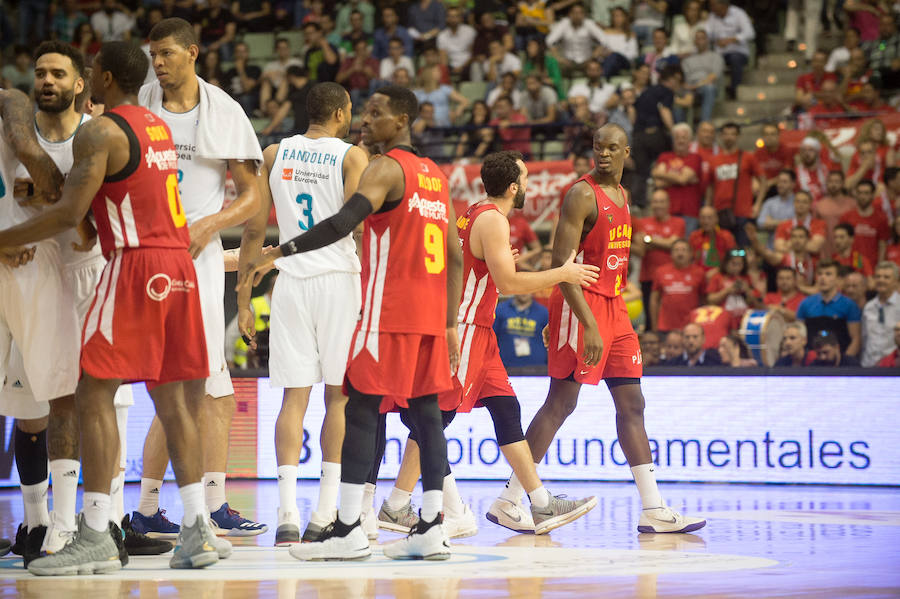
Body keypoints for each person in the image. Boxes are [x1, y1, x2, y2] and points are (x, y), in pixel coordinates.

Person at [1, 40, 226, 575]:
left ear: (99, 79)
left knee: (90, 390)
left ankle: (97, 530)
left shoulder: (100, 131)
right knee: (174, 400)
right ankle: (197, 531)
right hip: (180, 269)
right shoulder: (157, 127)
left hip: (135, 265)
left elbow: (70, 216)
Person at [241, 85, 463, 561]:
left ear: (402, 119)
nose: (366, 119)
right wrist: (450, 324)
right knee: (425, 414)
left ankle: (344, 529)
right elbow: (455, 255)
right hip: (426, 316)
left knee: (357, 407)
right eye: (363, 111)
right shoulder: (435, 176)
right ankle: (430, 526)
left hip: (382, 308)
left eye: (377, 112)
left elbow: (344, 223)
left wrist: (279, 252)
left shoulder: (382, 167)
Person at [492, 124, 706, 534]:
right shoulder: (581, 194)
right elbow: (562, 267)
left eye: (611, 148)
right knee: (561, 403)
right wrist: (583, 324)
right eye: (597, 148)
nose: (603, 154)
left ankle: (653, 508)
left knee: (632, 403)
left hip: (615, 305)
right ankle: (510, 500)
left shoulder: (625, 195)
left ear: (627, 152)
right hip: (582, 304)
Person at [387, 151, 600, 538]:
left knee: (506, 409)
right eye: (526, 178)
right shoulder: (493, 221)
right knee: (436, 419)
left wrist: (500, 264)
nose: (529, 185)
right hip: (467, 329)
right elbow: (510, 285)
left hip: (481, 332)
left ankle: (537, 502)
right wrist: (563, 273)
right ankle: (399, 503)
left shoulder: (474, 212)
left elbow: (478, 267)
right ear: (514, 186)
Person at [133, 17, 267, 539]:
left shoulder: (224, 109)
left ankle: (163, 507)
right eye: (153, 55)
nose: (158, 63)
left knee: (210, 388)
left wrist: (211, 225)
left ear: (192, 52)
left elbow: (254, 196)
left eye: (166, 53)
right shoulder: (140, 103)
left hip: (199, 258)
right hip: (144, 255)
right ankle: (178, 506)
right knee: (178, 389)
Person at [237, 83, 367, 545]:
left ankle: (287, 515)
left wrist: (242, 299)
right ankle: (325, 513)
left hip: (288, 284)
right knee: (339, 396)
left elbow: (254, 227)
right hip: (336, 282)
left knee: (294, 399)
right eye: (351, 109)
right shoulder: (352, 157)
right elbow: (354, 228)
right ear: (338, 112)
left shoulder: (274, 153)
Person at [631, 65, 684, 208]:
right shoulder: (667, 92)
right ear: (672, 79)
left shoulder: (646, 91)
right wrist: (674, 130)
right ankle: (661, 196)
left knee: (640, 172)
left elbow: (633, 112)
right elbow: (664, 110)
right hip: (655, 134)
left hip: (638, 136)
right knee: (666, 162)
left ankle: (638, 204)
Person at [633, 189, 686, 331]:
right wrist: (664, 243)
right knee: (651, 321)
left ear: (668, 204)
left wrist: (649, 240)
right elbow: (641, 247)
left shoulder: (678, 222)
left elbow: (673, 244)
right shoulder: (642, 222)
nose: (658, 205)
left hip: (673, 279)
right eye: (655, 201)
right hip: (648, 277)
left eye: (662, 201)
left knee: (670, 318)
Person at [706, 122, 762, 246]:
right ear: (721, 136)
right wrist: (709, 208)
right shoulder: (714, 160)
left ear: (738, 136)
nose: (729, 137)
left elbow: (763, 181)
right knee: (723, 250)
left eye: (732, 134)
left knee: (741, 250)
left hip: (743, 213)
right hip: (720, 213)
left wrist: (757, 204)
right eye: (726, 134)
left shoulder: (748, 157)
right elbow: (710, 187)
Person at [796, 261, 862, 357]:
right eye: (820, 274)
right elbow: (799, 336)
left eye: (828, 274)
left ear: (838, 279)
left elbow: (856, 340)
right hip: (811, 363)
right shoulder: (805, 304)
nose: (823, 278)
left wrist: (844, 363)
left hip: (840, 363)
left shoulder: (849, 305)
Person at [651, 123, 702, 233]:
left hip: (689, 211)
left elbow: (682, 179)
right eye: (677, 137)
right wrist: (680, 178)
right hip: (667, 212)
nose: (680, 141)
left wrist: (661, 174)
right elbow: (659, 183)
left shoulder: (695, 158)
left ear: (690, 141)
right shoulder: (664, 156)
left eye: (684, 137)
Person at [705, 0, 754, 99]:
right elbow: (706, 34)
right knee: (709, 60)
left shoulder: (738, 13)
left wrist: (732, 39)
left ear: (723, 4)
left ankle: (734, 90)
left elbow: (750, 32)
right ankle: (713, 92)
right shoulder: (712, 16)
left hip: (738, 51)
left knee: (735, 59)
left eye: (713, 5)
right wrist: (715, 41)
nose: (711, 7)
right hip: (719, 53)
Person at [841, 179, 891, 268]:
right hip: (852, 264)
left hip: (872, 264)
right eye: (860, 193)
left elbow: (882, 245)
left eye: (866, 193)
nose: (862, 196)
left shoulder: (881, 218)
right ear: (855, 194)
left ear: (872, 195)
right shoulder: (847, 217)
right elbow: (841, 243)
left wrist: (880, 267)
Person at [544, 4, 605, 75]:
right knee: (554, 66)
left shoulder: (589, 23)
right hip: (568, 61)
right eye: (575, 13)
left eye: (580, 13)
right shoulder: (564, 23)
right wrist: (559, 59)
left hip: (587, 60)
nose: (577, 16)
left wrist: (593, 57)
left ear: (583, 14)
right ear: (569, 14)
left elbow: (603, 40)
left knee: (595, 67)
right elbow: (550, 41)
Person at [680, 30, 724, 123]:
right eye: (697, 38)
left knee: (709, 88)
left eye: (702, 38)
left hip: (705, 85)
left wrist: (696, 86)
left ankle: (704, 124)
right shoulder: (687, 59)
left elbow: (713, 76)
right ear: (694, 41)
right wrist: (688, 86)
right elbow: (683, 78)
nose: (700, 41)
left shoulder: (715, 56)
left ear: (707, 40)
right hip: (689, 88)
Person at [495, 294, 550, 368]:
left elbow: (550, 341)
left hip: (538, 370)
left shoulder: (543, 313)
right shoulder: (500, 310)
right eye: (522, 288)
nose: (524, 292)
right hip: (506, 368)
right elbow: (491, 339)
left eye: (527, 288)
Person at [861, 262, 900, 366]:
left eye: (886, 277)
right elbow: (864, 339)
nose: (881, 280)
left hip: (893, 368)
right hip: (868, 366)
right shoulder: (869, 307)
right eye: (878, 276)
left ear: (896, 281)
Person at [772, 190, 826, 256]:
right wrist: (806, 243)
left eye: (804, 202)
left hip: (813, 263)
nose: (800, 204)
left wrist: (789, 243)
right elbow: (779, 248)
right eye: (798, 201)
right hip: (789, 264)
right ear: (794, 203)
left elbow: (815, 248)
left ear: (810, 204)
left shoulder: (819, 224)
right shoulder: (783, 225)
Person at [690, 205, 737, 273]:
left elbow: (738, 254)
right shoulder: (694, 236)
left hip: (720, 274)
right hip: (697, 275)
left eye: (710, 218)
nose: (706, 221)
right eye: (703, 218)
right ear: (699, 219)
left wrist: (719, 269)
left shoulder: (726, 236)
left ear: (716, 219)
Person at [757, 170, 798, 241]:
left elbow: (798, 224)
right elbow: (760, 223)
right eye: (779, 181)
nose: (780, 185)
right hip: (772, 248)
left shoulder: (799, 202)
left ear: (793, 184)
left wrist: (772, 222)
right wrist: (786, 222)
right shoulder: (769, 202)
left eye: (784, 182)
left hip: (793, 247)